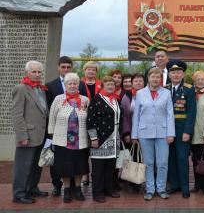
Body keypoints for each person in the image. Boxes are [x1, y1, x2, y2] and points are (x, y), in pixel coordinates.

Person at [45, 56, 87, 196]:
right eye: (70, 84)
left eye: (75, 83)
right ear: (66, 85)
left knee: (80, 164)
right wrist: (51, 136)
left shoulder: (85, 100)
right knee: (64, 165)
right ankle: (67, 189)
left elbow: (89, 119)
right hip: (62, 138)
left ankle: (78, 189)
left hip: (80, 138)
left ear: (78, 85)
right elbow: (52, 117)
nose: (73, 86)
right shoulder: (58, 99)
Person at [132, 67, 175, 201]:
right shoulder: (140, 93)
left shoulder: (166, 93)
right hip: (144, 133)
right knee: (149, 163)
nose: (155, 79)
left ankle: (161, 188)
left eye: (158, 77)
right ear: (148, 78)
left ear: (161, 79)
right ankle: (150, 189)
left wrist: (170, 134)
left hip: (163, 133)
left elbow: (170, 114)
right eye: (153, 76)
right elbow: (136, 115)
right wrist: (134, 134)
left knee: (162, 162)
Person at [11, 61, 49, 204]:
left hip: (41, 135)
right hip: (27, 135)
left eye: (39, 72)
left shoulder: (41, 89)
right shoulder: (21, 89)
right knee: (23, 166)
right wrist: (22, 135)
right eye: (34, 72)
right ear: (27, 73)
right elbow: (17, 114)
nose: (37, 74)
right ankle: (19, 194)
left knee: (36, 165)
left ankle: (32, 188)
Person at [87, 76, 123, 203]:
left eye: (112, 84)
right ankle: (97, 192)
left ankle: (109, 189)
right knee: (98, 168)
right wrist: (93, 138)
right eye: (108, 84)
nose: (110, 86)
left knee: (110, 167)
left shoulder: (115, 99)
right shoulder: (96, 99)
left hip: (114, 137)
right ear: (102, 86)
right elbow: (90, 120)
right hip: (101, 137)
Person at [166, 60, 196, 198]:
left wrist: (187, 131)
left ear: (183, 73)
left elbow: (191, 112)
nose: (176, 75)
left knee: (182, 158)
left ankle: (185, 188)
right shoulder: (165, 89)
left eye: (178, 72)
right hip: (167, 130)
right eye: (173, 72)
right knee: (170, 158)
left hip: (181, 129)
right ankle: (175, 184)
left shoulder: (189, 89)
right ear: (169, 74)